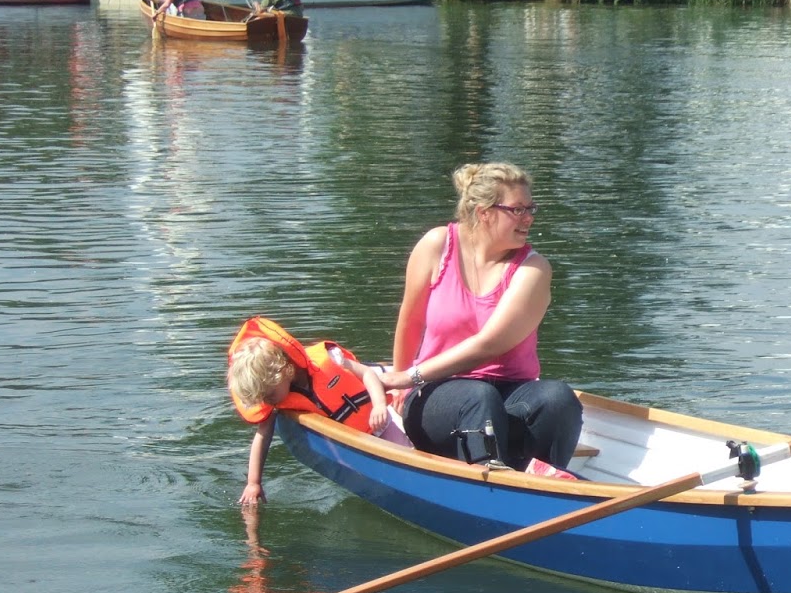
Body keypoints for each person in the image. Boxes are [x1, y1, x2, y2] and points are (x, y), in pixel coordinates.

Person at [380, 163, 583, 472]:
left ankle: (542, 482)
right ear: (485, 211)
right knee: (479, 397)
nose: (528, 218)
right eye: (517, 210)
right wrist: (400, 383)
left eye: (531, 209)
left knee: (558, 399)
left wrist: (409, 376)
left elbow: (489, 344)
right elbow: (410, 321)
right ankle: (489, 481)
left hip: (509, 393)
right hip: (437, 393)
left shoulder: (534, 269)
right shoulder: (436, 246)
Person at [227, 317, 391, 506]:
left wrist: (379, 405)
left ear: (285, 371)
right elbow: (262, 435)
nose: (266, 401)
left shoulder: (330, 359)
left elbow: (368, 374)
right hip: (362, 442)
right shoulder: (277, 396)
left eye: (269, 394)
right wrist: (253, 483)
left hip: (383, 419)